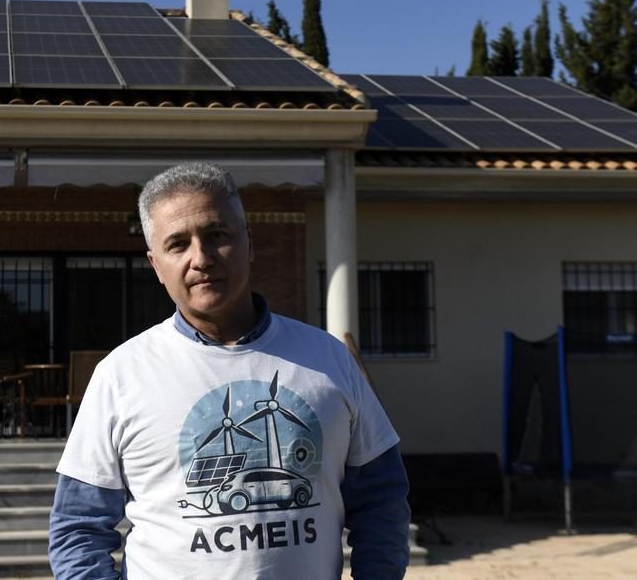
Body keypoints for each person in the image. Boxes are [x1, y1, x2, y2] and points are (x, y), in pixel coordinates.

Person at [49, 162, 410, 579]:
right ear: (155, 265)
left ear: (249, 243)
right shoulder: (121, 375)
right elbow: (78, 530)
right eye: (178, 244)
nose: (200, 258)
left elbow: (382, 501)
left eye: (217, 236)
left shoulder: (329, 362)